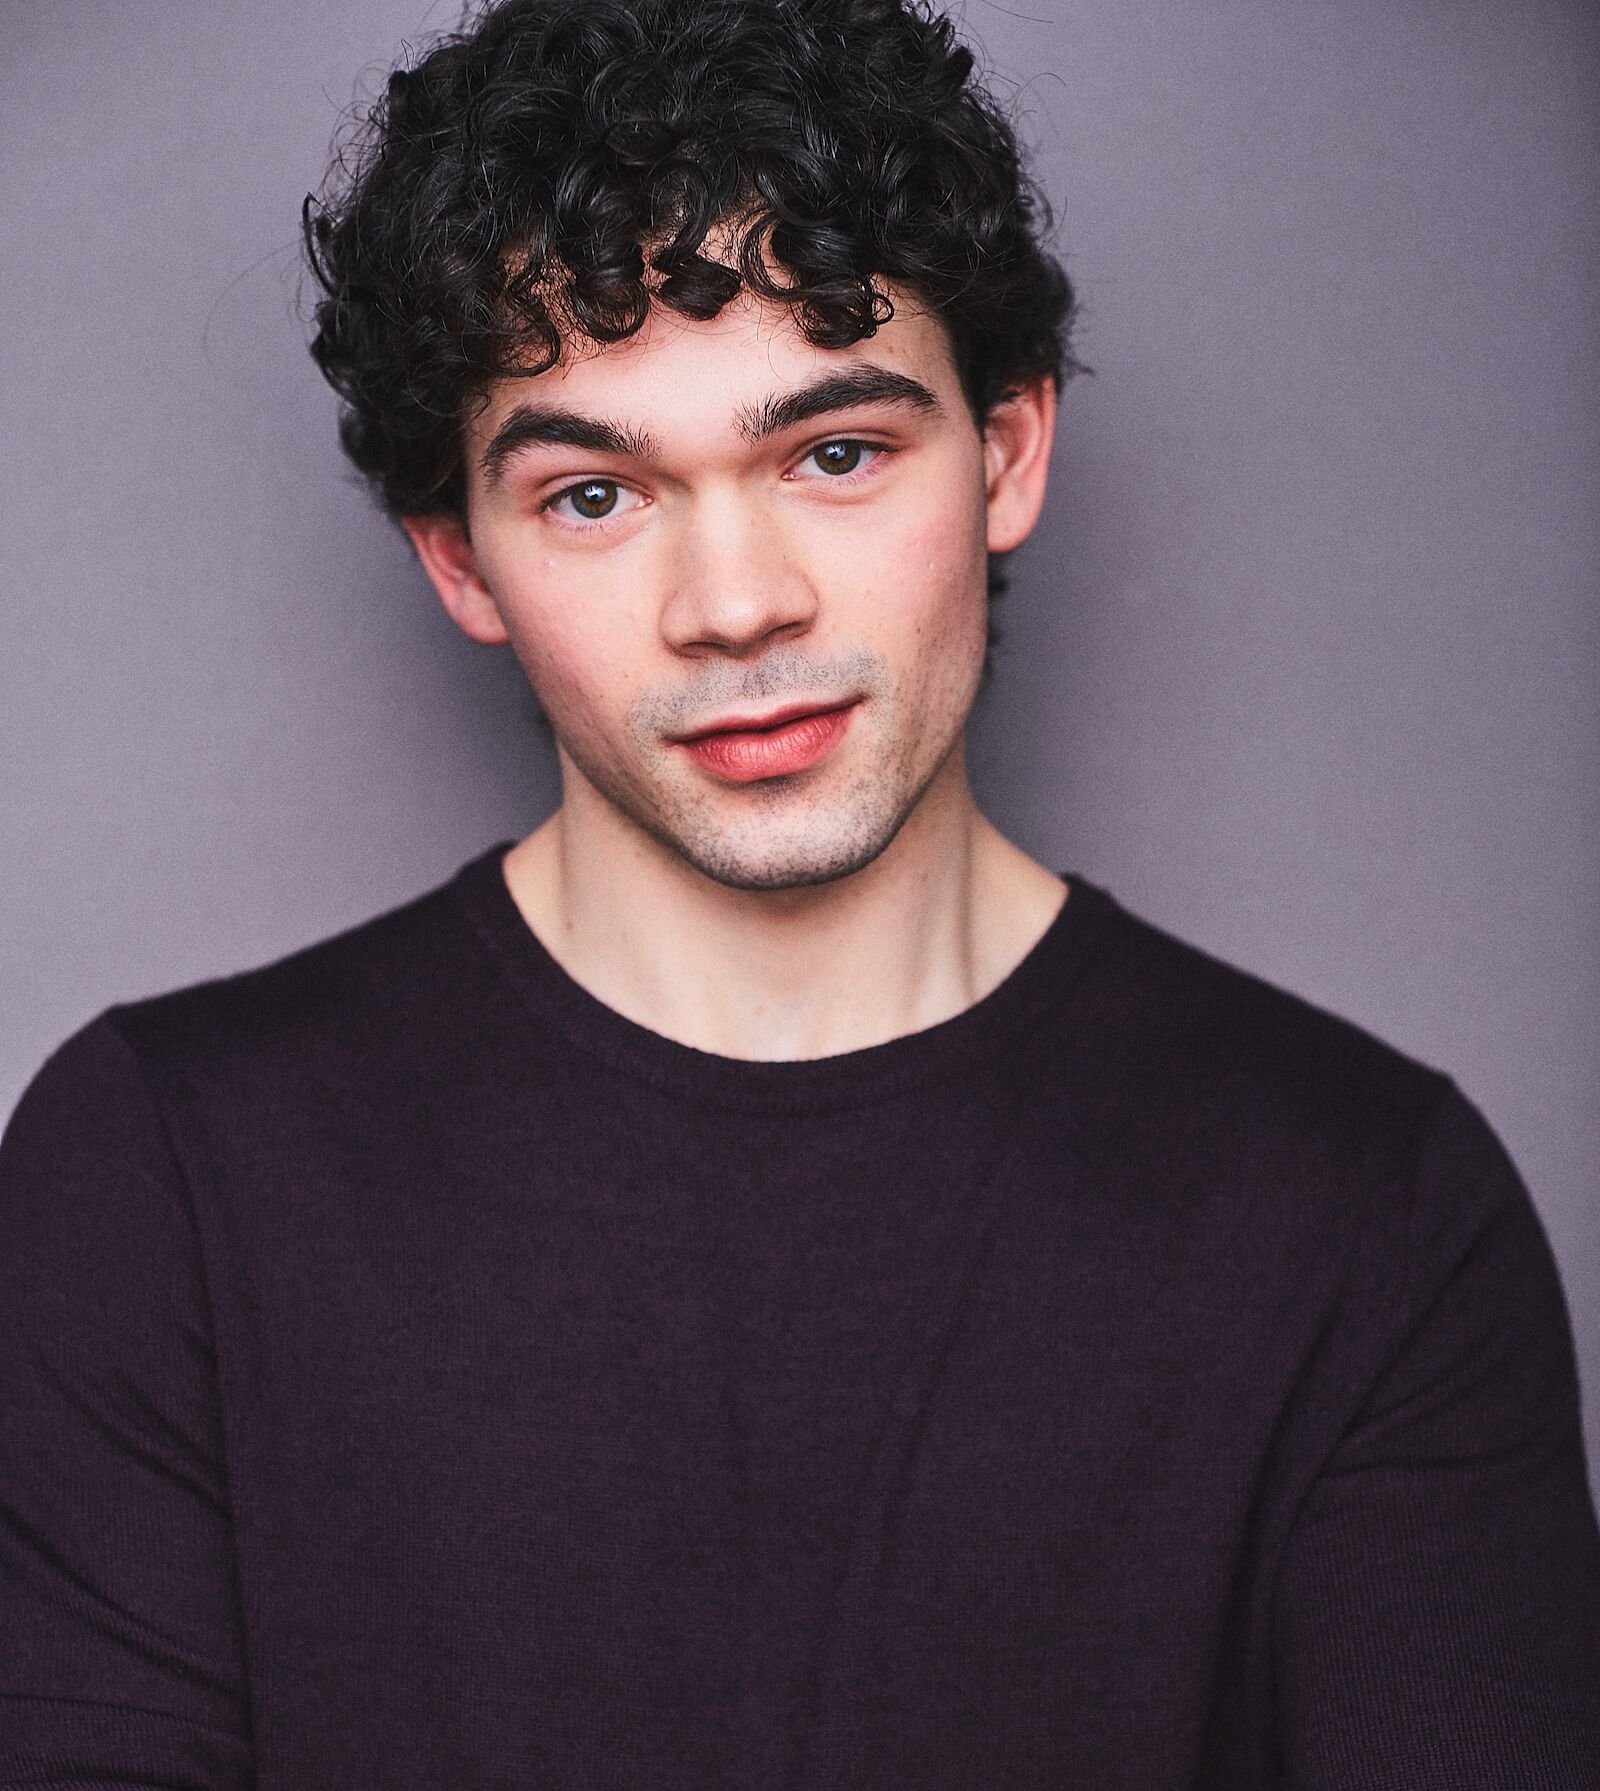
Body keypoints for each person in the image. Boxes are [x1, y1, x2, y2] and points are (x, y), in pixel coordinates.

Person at [2, 0, 1596, 1783]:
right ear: (461, 559)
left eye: (834, 454)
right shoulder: (160, 1178)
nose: (737, 603)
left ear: (1007, 454)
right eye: (598, 494)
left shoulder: (1368, 1207)